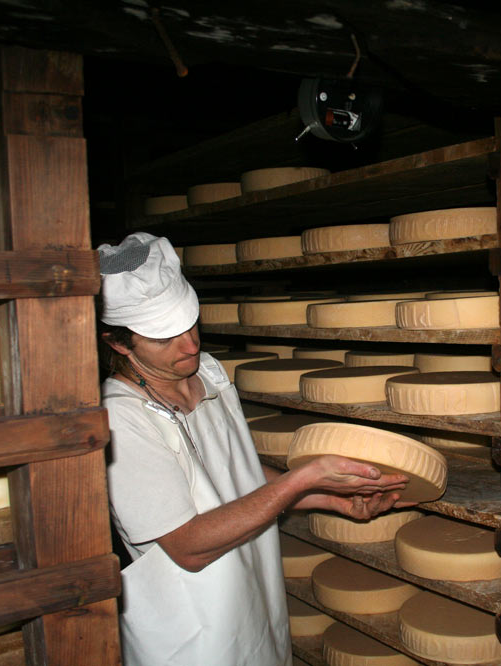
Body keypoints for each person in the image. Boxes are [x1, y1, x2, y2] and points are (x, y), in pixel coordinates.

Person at [96, 232, 412, 665]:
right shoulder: (121, 420)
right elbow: (187, 545)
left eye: (189, 323)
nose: (189, 345)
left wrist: (325, 497)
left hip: (253, 601)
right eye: (163, 337)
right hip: (193, 634)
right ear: (117, 342)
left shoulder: (207, 371)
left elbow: (236, 471)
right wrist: (304, 477)